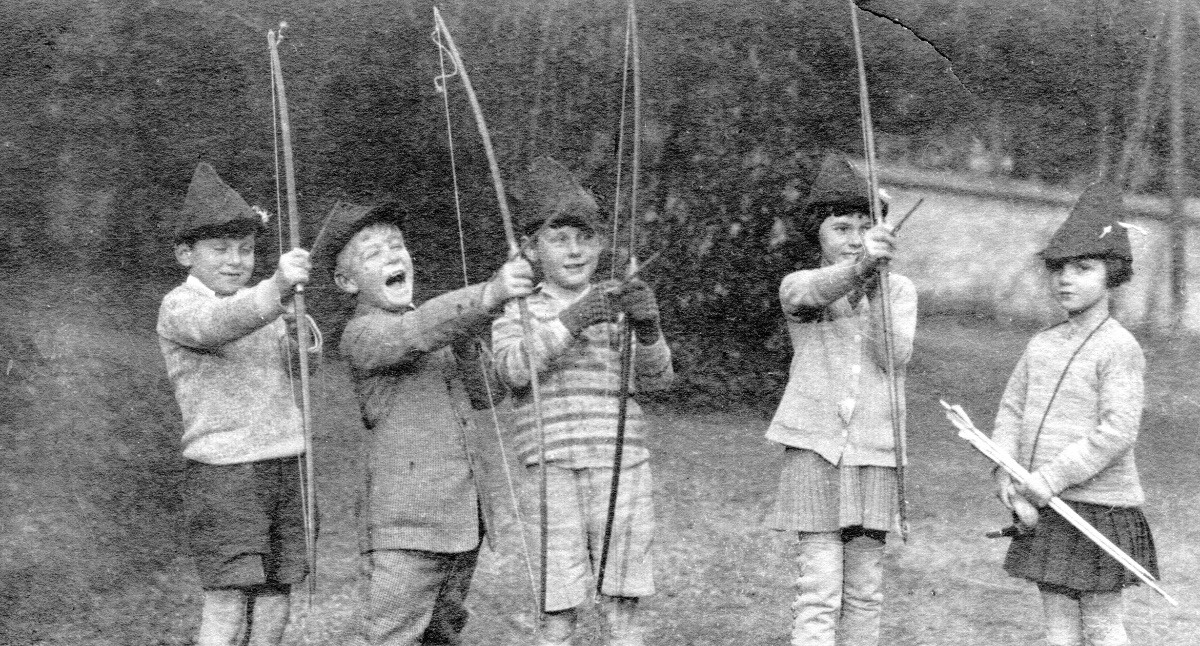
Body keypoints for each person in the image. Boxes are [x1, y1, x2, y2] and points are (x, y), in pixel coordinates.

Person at [312, 200, 534, 646]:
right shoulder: (362, 334)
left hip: (462, 523)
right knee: (390, 634)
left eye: (398, 246)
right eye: (373, 253)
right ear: (345, 281)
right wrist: (488, 295)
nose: (394, 256)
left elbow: (488, 394)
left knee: (441, 634)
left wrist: (470, 340)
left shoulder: (438, 330)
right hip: (405, 529)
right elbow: (413, 333)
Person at [491, 157, 673, 646]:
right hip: (552, 470)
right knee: (558, 607)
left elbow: (657, 383)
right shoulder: (516, 307)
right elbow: (510, 369)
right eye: (559, 238)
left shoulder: (619, 305)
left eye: (586, 237)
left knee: (622, 604)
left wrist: (649, 329)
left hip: (623, 467)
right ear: (530, 248)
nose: (575, 251)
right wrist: (570, 322)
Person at [991, 181, 1158, 646]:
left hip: (1100, 507)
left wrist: (1049, 478)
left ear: (1113, 275)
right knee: (1058, 629)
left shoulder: (1119, 347)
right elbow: (1011, 409)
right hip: (1044, 506)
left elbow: (1118, 431)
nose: (1066, 279)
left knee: (1102, 625)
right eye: (1059, 268)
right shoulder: (1041, 343)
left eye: (1083, 268)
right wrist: (1005, 469)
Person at [157, 162, 316, 646]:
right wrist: (274, 290)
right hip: (225, 472)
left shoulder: (261, 304)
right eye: (220, 249)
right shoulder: (180, 306)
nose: (235, 261)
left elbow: (303, 367)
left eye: (246, 250)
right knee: (228, 592)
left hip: (284, 462)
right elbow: (217, 324)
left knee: (278, 586)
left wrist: (299, 332)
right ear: (186, 253)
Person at [763, 154, 915, 646]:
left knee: (865, 592)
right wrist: (859, 270)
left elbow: (892, 356)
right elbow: (811, 296)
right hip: (816, 451)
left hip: (875, 452)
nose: (853, 238)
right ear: (819, 235)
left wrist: (877, 286)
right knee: (819, 591)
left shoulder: (900, 290)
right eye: (841, 228)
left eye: (864, 227)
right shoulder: (801, 282)